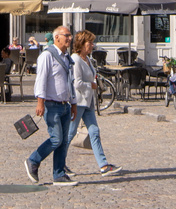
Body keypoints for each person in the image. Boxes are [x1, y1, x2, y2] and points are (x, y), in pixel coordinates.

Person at [24, 25, 78, 187]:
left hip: (65, 105)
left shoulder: (67, 57)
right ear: (57, 37)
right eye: (66, 35)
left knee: (63, 141)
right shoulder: (47, 56)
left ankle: (59, 174)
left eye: (70, 35)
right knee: (56, 139)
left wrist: (73, 103)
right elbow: (41, 80)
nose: (69, 38)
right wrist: (40, 102)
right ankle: (33, 160)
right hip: (51, 104)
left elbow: (71, 82)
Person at [71, 30, 120, 175]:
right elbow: (77, 83)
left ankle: (103, 165)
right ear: (82, 44)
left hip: (88, 102)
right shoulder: (76, 59)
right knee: (70, 133)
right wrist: (91, 85)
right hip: (79, 102)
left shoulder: (87, 59)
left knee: (94, 131)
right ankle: (59, 163)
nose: (92, 45)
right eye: (90, 43)